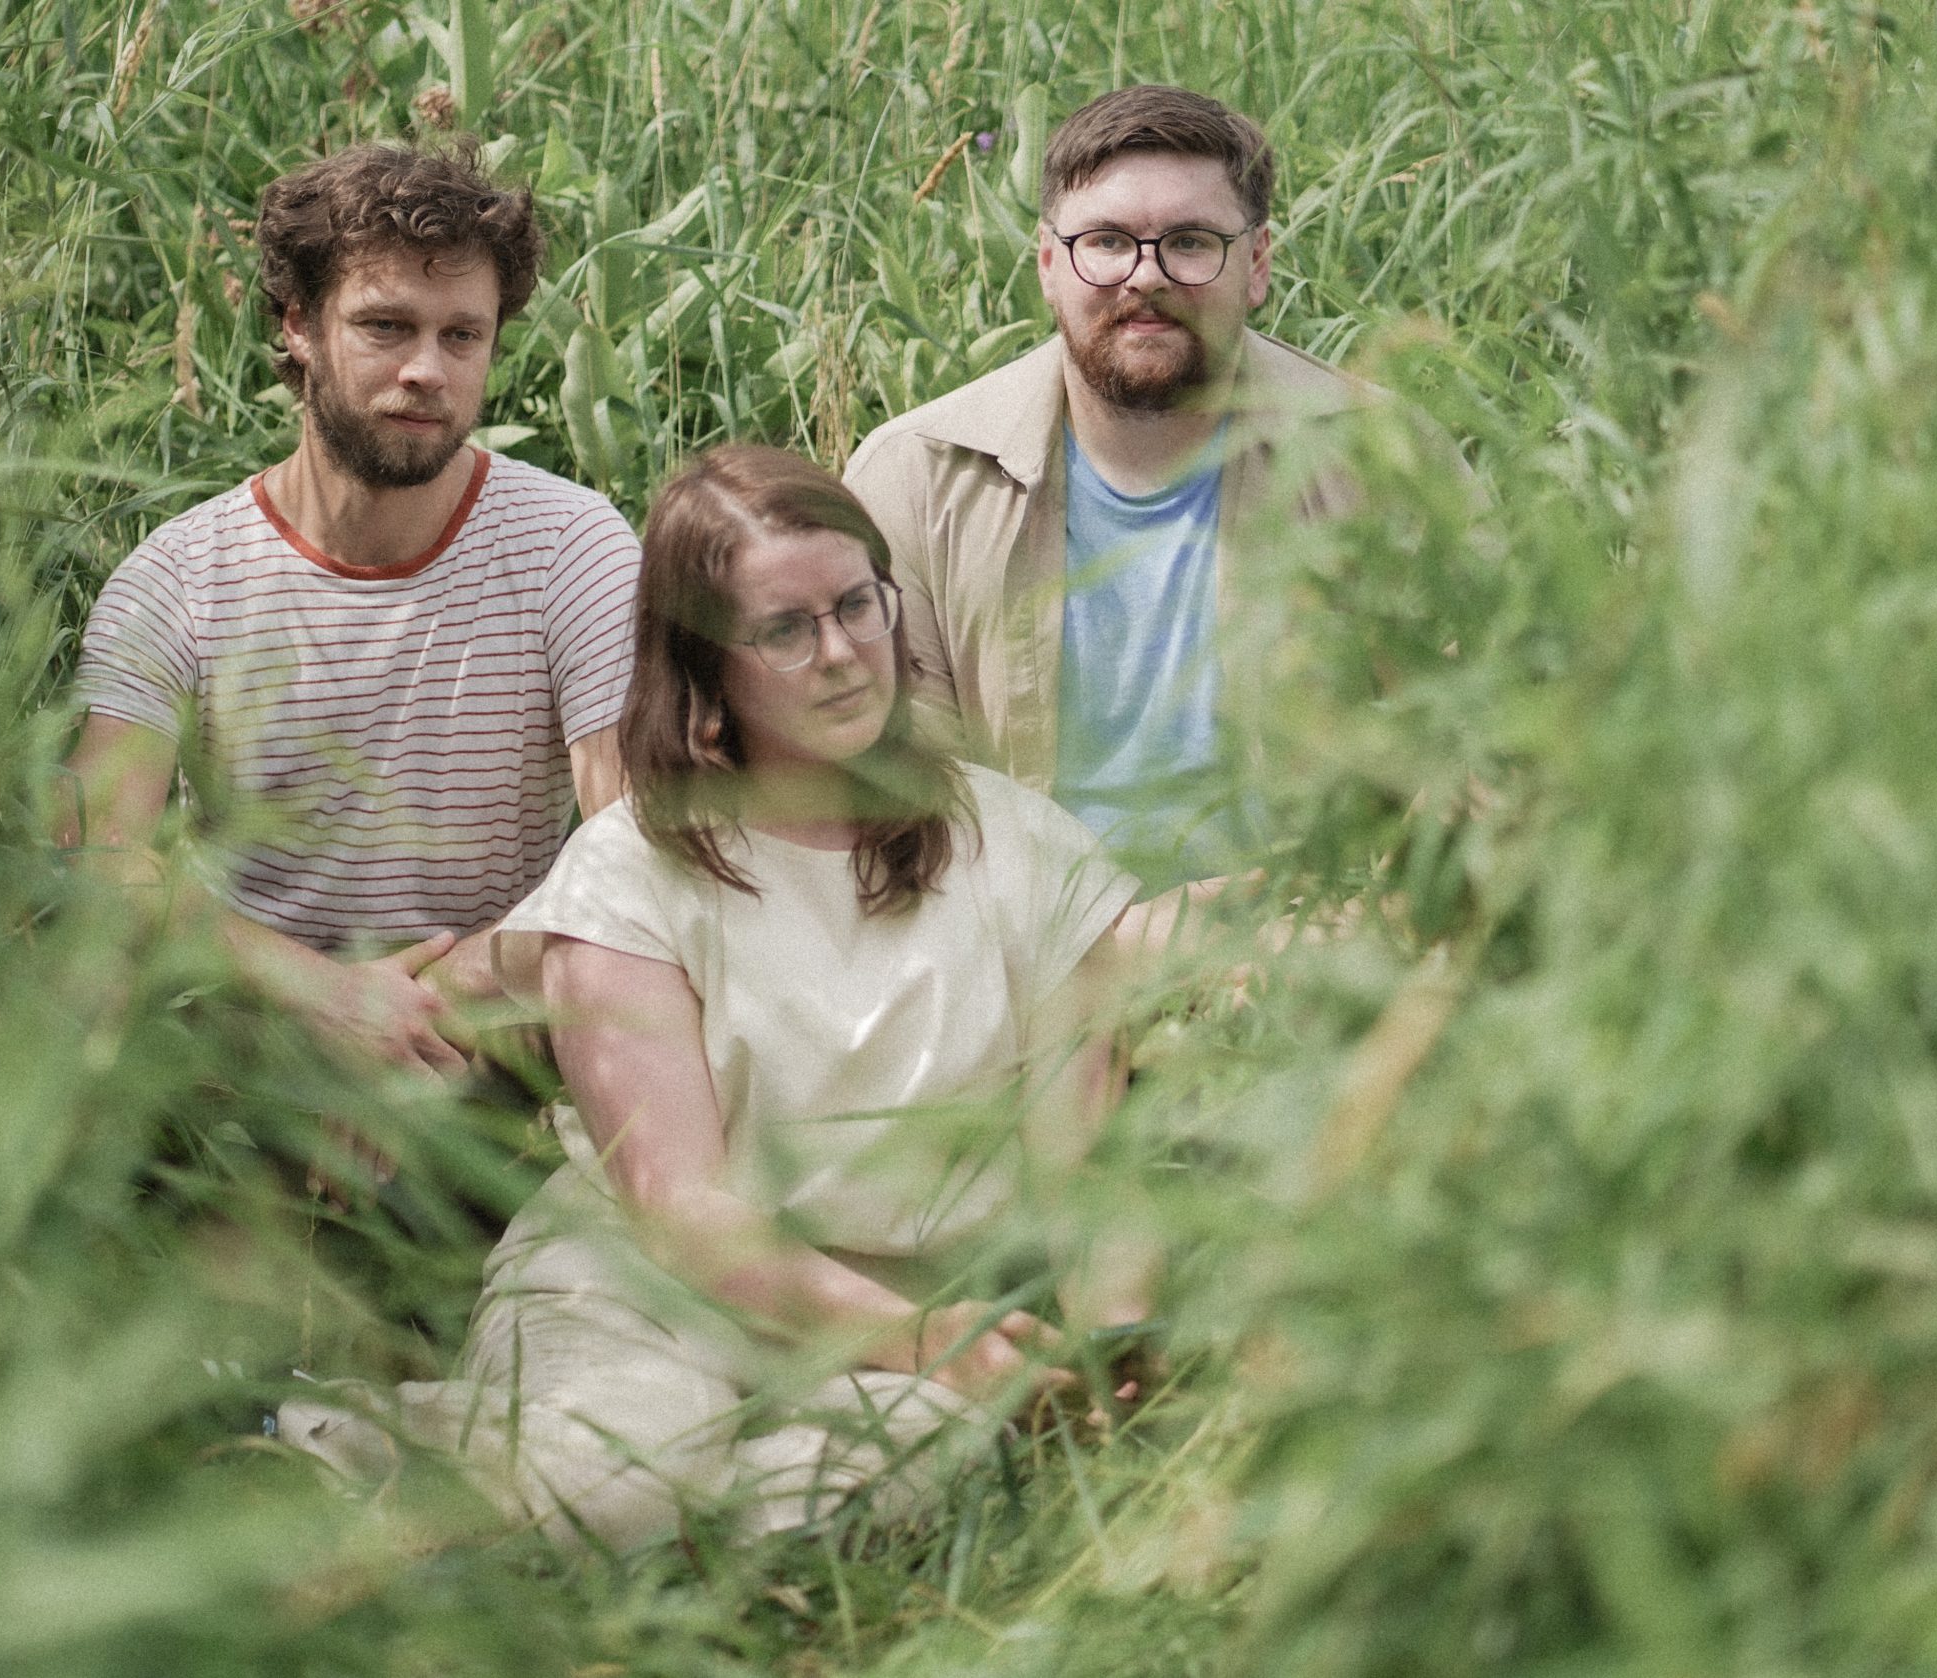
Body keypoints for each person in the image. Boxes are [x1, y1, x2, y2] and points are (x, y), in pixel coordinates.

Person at [278, 447, 1149, 1550]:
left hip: (910, 1310)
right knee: (621, 1480)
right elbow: (683, 1213)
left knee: (874, 1485)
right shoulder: (631, 874)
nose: (840, 653)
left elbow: (1090, 1169)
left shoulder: (1018, 846)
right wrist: (934, 1339)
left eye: (857, 606)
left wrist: (1113, 1342)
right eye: (784, 629)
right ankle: (305, 1436)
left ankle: (566, 1529)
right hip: (646, 1291)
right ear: (706, 666)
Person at [55, 142, 642, 1091]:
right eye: (385, 327)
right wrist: (326, 1001)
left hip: (495, 1035)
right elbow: (95, 852)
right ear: (299, 326)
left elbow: (640, 836)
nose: (426, 371)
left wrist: (419, 1007)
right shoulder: (182, 578)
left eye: (462, 336)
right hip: (250, 1042)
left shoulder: (572, 548)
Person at [845, 85, 1391, 899]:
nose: (1146, 276)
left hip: (1305, 946)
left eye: (1191, 242)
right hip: (1022, 953)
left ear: (1259, 264)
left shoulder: (1379, 460)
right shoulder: (916, 481)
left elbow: (1465, 756)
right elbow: (895, 802)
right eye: (1106, 242)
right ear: (1047, 264)